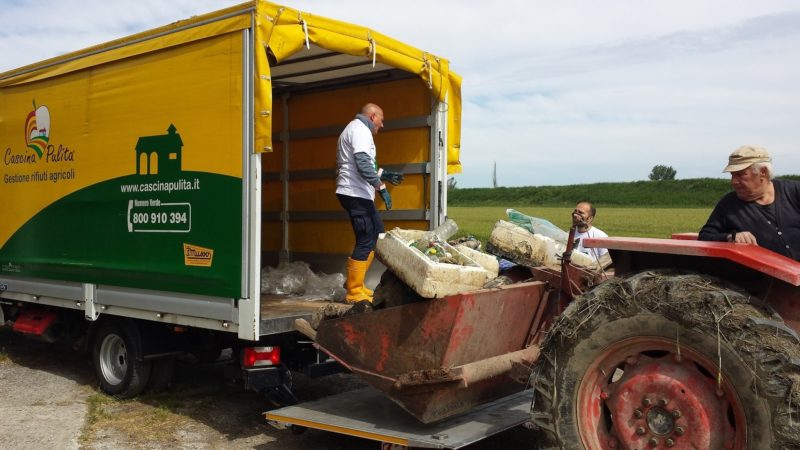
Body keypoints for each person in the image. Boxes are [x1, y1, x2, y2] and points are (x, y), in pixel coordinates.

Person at [336, 103, 404, 303]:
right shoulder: (360, 130)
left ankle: (357, 285)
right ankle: (354, 291)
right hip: (354, 193)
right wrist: (381, 187)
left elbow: (367, 163)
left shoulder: (358, 130)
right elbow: (362, 163)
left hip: (358, 193)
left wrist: (384, 173)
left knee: (376, 234)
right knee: (366, 237)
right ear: (373, 116)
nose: (381, 125)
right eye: (381, 121)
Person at [698, 145, 800, 260]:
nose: (734, 182)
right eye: (732, 175)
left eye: (740, 174)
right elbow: (705, 237)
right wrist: (730, 237)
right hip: (763, 276)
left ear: (763, 172)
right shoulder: (728, 205)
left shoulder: (795, 191)